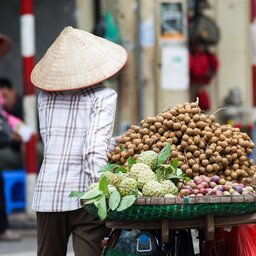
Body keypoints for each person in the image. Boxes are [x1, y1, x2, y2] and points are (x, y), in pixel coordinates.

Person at [30, 26, 127, 256]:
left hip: (48, 194)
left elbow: (57, 142)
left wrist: (112, 143)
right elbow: (93, 151)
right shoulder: (103, 96)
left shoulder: (45, 98)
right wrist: (105, 193)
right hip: (86, 196)